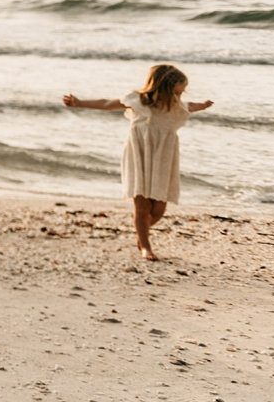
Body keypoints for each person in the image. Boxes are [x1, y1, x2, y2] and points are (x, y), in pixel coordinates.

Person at [62, 64, 212, 261]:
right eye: (178, 91)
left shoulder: (176, 105)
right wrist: (80, 102)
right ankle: (145, 247)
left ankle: (141, 232)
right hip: (139, 154)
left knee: (158, 210)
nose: (180, 96)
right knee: (141, 206)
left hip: (164, 158)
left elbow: (190, 107)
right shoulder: (139, 100)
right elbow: (108, 104)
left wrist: (202, 105)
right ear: (164, 88)